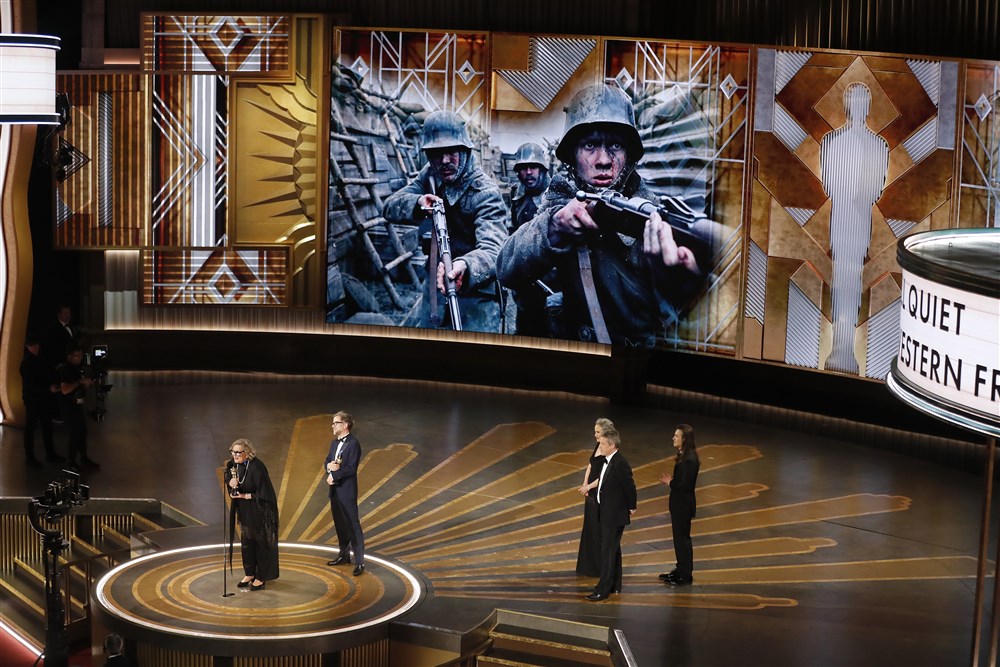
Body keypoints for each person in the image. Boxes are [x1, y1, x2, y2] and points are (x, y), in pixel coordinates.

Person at [497, 83, 711, 347]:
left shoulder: (651, 215)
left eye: (615, 146)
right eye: (590, 145)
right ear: (572, 156)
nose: (603, 160)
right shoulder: (562, 203)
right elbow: (506, 270)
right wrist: (554, 227)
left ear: (629, 155)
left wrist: (679, 284)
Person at [383, 110, 509, 332]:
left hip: (475, 290)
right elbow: (389, 206)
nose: (444, 161)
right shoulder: (430, 174)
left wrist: (465, 266)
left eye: (451, 152)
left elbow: (494, 249)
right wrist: (418, 202)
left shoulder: (485, 192)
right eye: (436, 153)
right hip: (435, 288)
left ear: (465, 150)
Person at [820, 82, 889, 374]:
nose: (859, 107)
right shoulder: (831, 141)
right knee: (840, 279)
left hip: (859, 221)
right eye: (855, 101)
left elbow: (876, 190)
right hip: (843, 219)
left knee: (853, 278)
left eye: (863, 101)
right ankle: (839, 347)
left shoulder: (879, 145)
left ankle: (847, 348)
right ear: (848, 105)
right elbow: (828, 185)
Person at [509, 142, 556, 337]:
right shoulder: (516, 195)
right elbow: (513, 230)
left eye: (533, 167)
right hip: (525, 279)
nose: (528, 173)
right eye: (523, 168)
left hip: (551, 282)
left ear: (542, 169)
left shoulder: (555, 195)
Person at [586, 426, 637, 601]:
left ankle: (603, 590)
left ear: (612, 445)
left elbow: (629, 486)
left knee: (607, 552)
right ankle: (614, 584)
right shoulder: (607, 460)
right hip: (607, 512)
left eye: (602, 444)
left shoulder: (620, 463)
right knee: (612, 550)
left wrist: (632, 506)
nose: (599, 446)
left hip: (614, 515)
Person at [225, 438, 279, 590]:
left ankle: (261, 577)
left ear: (247, 453)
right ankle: (249, 573)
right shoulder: (233, 464)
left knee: (261, 543)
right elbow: (228, 476)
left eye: (238, 452)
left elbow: (265, 494)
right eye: (233, 452)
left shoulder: (257, 467)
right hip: (245, 510)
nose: (235, 455)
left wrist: (244, 496)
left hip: (259, 509)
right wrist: (230, 483)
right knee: (247, 542)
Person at [325, 411, 366, 576]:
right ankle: (344, 555)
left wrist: (334, 475)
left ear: (345, 425)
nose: (333, 426)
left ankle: (360, 561)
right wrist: (329, 467)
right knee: (340, 525)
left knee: (353, 525)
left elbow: (351, 468)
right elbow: (327, 460)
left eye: (336, 423)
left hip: (346, 491)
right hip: (335, 491)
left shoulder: (353, 444)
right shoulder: (334, 443)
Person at [659, 423, 700, 586]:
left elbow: (685, 486)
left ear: (685, 439)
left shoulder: (690, 460)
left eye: (676, 436)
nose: (673, 438)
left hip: (683, 505)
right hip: (678, 504)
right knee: (679, 540)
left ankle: (685, 575)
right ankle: (680, 569)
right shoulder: (684, 455)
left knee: (682, 540)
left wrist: (671, 482)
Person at [576, 417, 613, 577]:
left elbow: (604, 476)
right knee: (589, 530)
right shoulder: (598, 445)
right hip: (590, 494)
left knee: (598, 532)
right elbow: (590, 465)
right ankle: (587, 567)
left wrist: (589, 487)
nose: (595, 435)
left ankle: (599, 568)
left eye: (598, 432)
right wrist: (585, 483)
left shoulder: (608, 449)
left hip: (600, 496)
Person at [19, 333, 61, 467]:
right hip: (33, 399)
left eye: (37, 344)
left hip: (44, 398)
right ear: (27, 346)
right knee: (30, 428)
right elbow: (30, 385)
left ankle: (50, 454)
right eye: (33, 345)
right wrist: (48, 389)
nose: (36, 347)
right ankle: (30, 458)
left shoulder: (41, 358)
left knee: (47, 426)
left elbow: (47, 375)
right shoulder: (26, 363)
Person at [57, 345, 99, 470]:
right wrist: (80, 382)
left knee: (82, 432)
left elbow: (79, 386)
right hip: (68, 407)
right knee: (75, 433)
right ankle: (71, 460)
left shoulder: (77, 368)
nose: (80, 358)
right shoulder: (66, 369)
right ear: (70, 356)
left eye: (81, 355)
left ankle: (83, 457)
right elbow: (65, 389)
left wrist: (86, 384)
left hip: (77, 405)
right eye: (78, 356)